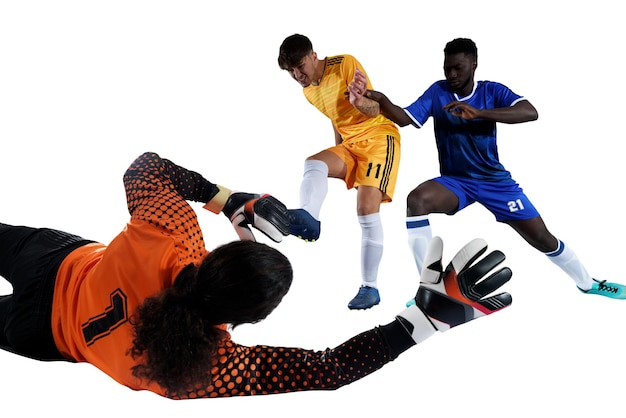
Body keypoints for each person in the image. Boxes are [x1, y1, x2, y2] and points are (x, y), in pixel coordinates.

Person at [0, 151, 513, 399]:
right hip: (47, 334)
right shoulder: (204, 370)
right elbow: (329, 370)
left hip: (54, 260)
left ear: (217, 257)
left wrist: (230, 200)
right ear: (246, 321)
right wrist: (419, 324)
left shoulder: (174, 235)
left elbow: (144, 168)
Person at [348, 37, 625, 299]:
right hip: (456, 182)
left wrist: (480, 113)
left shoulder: (491, 91)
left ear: (474, 65)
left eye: (458, 67)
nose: (452, 74)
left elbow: (530, 112)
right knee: (416, 200)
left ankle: (588, 284)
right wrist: (380, 99)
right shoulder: (438, 91)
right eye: (447, 68)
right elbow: (405, 118)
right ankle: (430, 289)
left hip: (495, 182)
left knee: (542, 239)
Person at [278, 33, 401, 309]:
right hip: (350, 144)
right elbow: (336, 119)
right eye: (291, 71)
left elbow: (375, 109)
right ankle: (309, 216)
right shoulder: (308, 90)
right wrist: (339, 153)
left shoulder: (344, 64)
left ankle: (370, 288)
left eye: (300, 66)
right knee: (314, 163)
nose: (298, 74)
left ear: (313, 56)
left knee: (366, 211)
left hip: (379, 137)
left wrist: (359, 101)